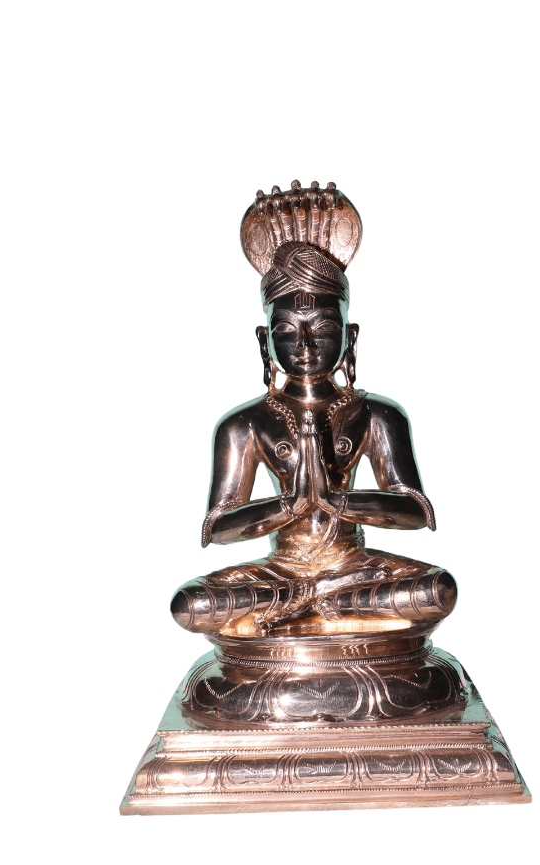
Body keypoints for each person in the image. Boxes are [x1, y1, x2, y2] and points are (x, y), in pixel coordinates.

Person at [169, 237, 457, 636]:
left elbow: (415, 511)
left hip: (355, 565)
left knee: (436, 589)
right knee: (192, 603)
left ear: (350, 338)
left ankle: (314, 601)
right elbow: (218, 527)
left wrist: (337, 501)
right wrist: (291, 505)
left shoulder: (377, 413)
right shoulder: (243, 423)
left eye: (323, 327)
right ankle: (322, 599)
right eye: (287, 330)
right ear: (264, 341)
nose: (305, 345)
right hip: (280, 570)